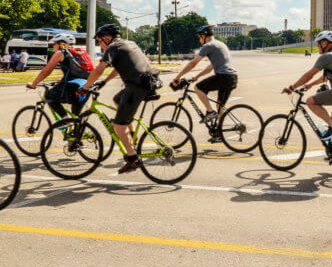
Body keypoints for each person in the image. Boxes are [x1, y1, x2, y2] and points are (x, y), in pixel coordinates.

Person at [79, 23, 156, 174]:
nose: (99, 44)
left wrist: (85, 87)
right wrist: (104, 82)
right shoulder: (129, 43)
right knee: (117, 99)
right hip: (147, 82)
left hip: (136, 87)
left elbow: (99, 69)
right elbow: (116, 69)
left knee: (118, 126)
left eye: (100, 41)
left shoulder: (112, 47)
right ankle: (131, 134)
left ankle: (133, 159)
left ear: (107, 38)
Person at [281, 31, 332, 141]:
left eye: (319, 43)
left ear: (326, 43)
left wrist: (292, 87)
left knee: (310, 101)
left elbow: (309, 74)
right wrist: (309, 85)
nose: (317, 45)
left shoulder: (327, 57)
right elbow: (325, 78)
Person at [171, 25, 238, 142]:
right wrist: (196, 76)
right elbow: (211, 67)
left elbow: (193, 63)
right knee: (220, 106)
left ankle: (210, 112)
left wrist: (178, 77)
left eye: (199, 37)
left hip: (223, 77)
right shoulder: (220, 44)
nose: (199, 40)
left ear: (203, 36)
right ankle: (219, 133)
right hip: (232, 78)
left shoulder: (208, 46)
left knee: (198, 88)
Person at [26, 34, 90, 117]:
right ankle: (77, 127)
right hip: (86, 86)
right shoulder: (80, 52)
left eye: (55, 43)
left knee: (49, 96)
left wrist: (33, 84)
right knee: (76, 118)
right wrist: (63, 79)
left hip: (73, 87)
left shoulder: (60, 53)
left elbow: (46, 71)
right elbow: (77, 70)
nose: (53, 46)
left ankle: (65, 120)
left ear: (62, 44)